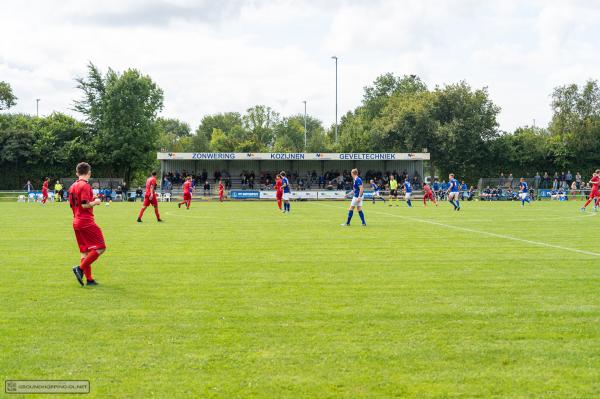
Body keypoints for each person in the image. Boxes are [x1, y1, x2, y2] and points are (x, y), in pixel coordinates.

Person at [69, 162, 106, 287]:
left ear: (77, 173)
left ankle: (89, 280)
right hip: (86, 221)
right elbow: (84, 205)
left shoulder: (73, 186)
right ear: (89, 173)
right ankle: (79, 268)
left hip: (76, 221)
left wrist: (91, 198)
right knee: (101, 247)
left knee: (85, 251)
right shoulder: (85, 186)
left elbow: (77, 203)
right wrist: (95, 202)